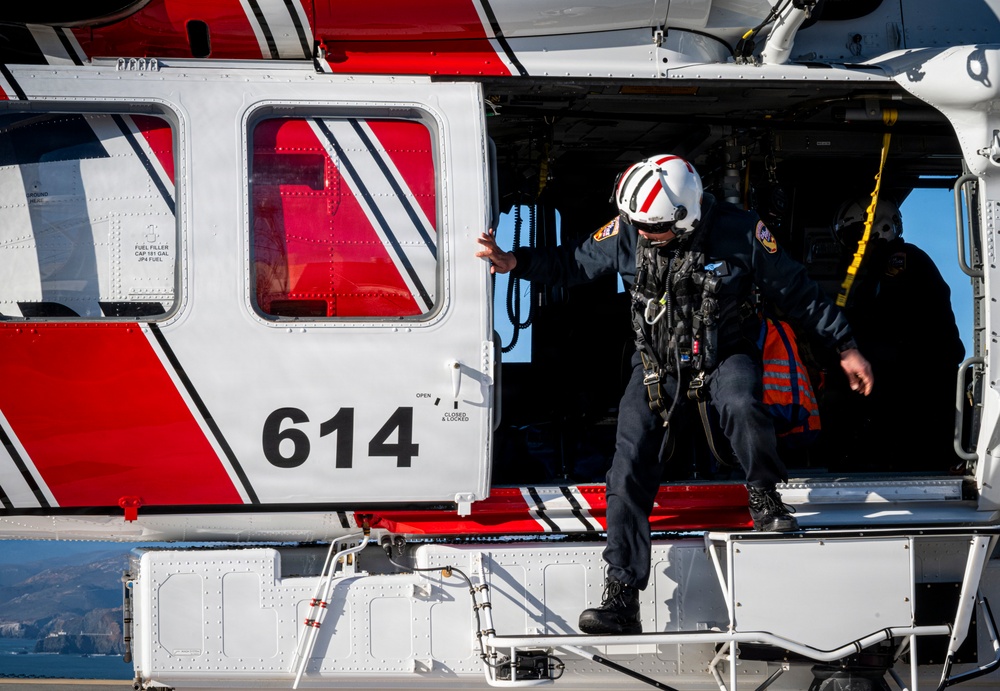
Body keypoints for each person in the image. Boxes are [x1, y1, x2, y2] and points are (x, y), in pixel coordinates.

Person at [477, 154, 874, 635]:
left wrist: (846, 347)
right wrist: (514, 261)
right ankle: (622, 596)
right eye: (637, 223)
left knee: (745, 406)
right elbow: (573, 263)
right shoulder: (629, 228)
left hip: (725, 355)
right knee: (625, 472)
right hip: (656, 368)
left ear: (684, 216)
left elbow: (799, 293)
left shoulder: (743, 233)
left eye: (652, 226)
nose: (643, 232)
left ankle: (765, 497)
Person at [829, 196, 964, 471]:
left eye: (858, 236)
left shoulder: (901, 261)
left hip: (919, 380)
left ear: (880, 229)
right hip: (911, 376)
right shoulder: (880, 270)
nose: (854, 247)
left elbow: (885, 319)